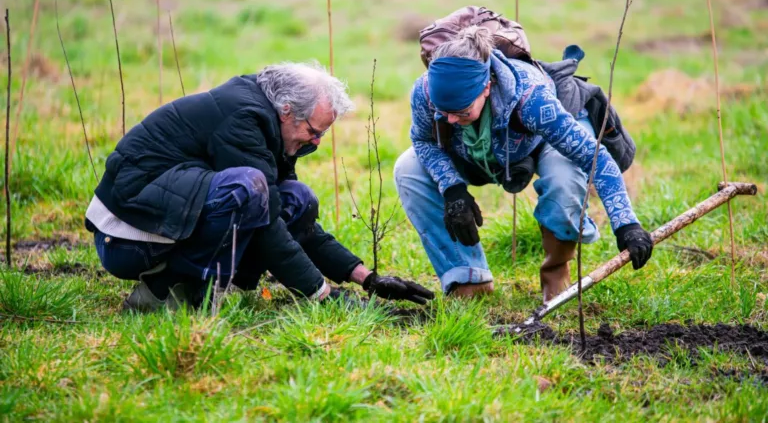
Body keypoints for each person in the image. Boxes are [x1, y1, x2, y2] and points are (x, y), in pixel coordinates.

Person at [85, 62, 434, 311]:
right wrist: (323, 294)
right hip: (127, 240)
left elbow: (295, 223)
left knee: (297, 198)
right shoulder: (243, 120)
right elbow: (267, 224)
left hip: (163, 223)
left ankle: (191, 284)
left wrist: (365, 277)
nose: (317, 141)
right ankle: (165, 291)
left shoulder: (270, 126)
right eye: (314, 131)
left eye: (323, 133)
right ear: (286, 111)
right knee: (249, 188)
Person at [394, 26, 653, 301]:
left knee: (564, 179)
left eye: (460, 111)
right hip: (475, 150)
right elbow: (423, 141)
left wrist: (627, 225)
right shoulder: (425, 91)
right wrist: (452, 188)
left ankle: (556, 273)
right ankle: (467, 279)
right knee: (408, 168)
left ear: (486, 87)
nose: (450, 120)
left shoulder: (530, 98)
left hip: (542, 141)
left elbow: (595, 158)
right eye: (442, 113)